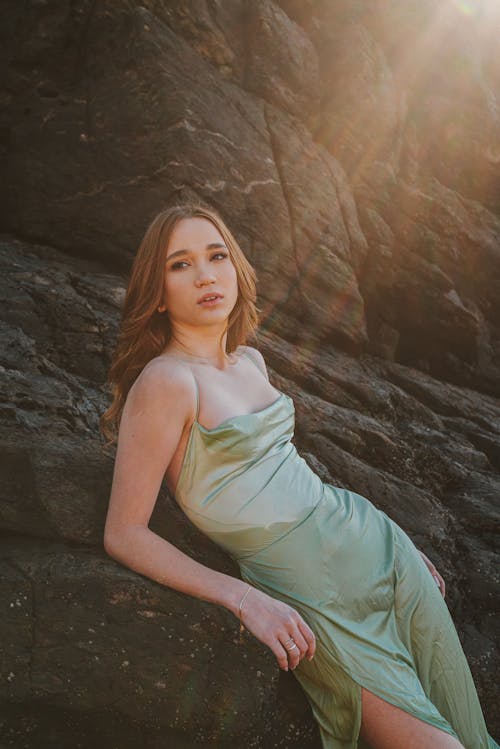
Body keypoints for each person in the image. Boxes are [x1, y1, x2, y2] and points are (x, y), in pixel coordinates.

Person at [101, 203, 499, 749]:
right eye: (180, 264)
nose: (205, 275)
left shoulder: (250, 361)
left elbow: (287, 471)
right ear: (158, 288)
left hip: (376, 549)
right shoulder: (166, 382)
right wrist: (244, 599)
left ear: (236, 267)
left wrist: (392, 537)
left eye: (216, 255)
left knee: (470, 733)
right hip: (306, 593)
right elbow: (124, 534)